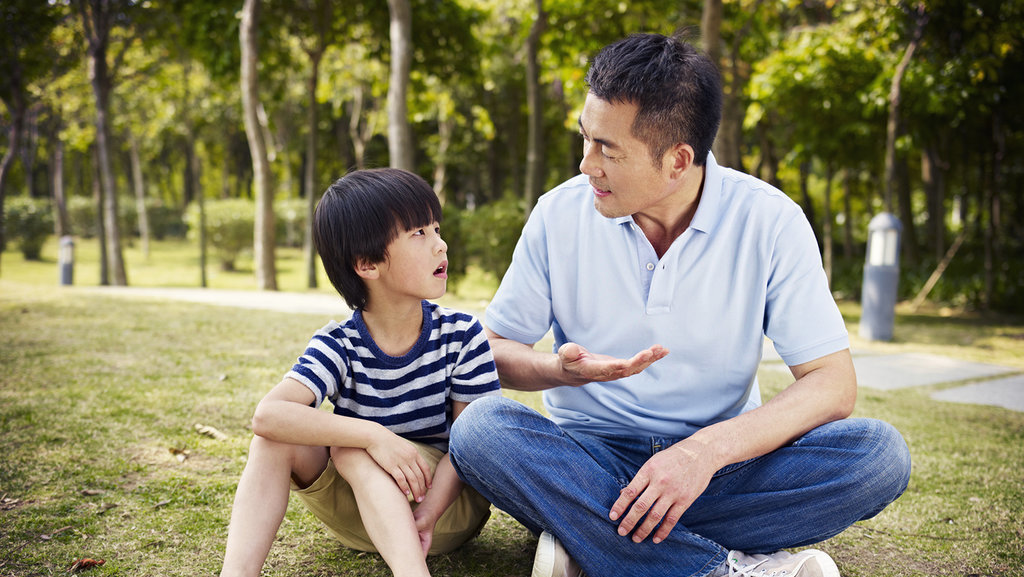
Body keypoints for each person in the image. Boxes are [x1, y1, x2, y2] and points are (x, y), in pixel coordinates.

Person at [447, 33, 912, 577]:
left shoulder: (771, 221)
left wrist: (702, 454)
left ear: (677, 160)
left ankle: (592, 539)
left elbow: (832, 384)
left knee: (878, 456)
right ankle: (717, 567)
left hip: (723, 467)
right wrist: (560, 371)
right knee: (481, 429)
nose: (585, 165)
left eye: (607, 149)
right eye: (585, 139)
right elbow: (494, 353)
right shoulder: (558, 216)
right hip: (590, 460)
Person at [219, 168, 501, 577]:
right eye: (418, 234)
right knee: (280, 442)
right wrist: (373, 435)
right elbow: (268, 416)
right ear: (367, 263)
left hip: (444, 513)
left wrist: (427, 513)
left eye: (435, 228)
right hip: (363, 519)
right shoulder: (340, 343)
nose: (440, 244)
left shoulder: (461, 335)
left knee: (350, 449)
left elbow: (476, 443)